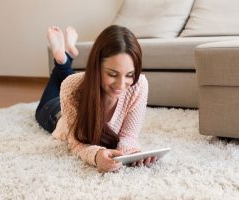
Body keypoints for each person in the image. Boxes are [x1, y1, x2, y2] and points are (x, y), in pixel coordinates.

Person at [35, 25, 157, 173]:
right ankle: (62, 60)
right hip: (54, 113)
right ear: (96, 67)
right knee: (46, 103)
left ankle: (64, 58)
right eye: (112, 74)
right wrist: (97, 155)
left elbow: (129, 136)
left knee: (72, 80)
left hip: (80, 86)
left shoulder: (138, 85)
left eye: (130, 74)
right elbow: (76, 144)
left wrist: (132, 153)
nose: (121, 85)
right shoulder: (71, 87)